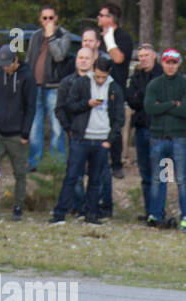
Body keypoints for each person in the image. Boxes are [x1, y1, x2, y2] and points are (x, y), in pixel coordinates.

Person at [49, 54, 121, 225]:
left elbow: (119, 117)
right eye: (97, 76)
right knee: (72, 176)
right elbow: (70, 106)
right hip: (81, 138)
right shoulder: (81, 83)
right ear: (94, 70)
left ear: (108, 73)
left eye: (103, 77)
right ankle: (60, 213)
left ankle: (91, 214)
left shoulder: (114, 88)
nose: (100, 80)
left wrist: (109, 140)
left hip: (101, 139)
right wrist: (87, 104)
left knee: (95, 180)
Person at [0, 45, 35, 222]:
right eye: (3, 64)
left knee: (19, 172)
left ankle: (18, 206)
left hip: (17, 133)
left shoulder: (27, 78)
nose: (5, 67)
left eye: (8, 64)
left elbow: (30, 107)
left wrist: (25, 132)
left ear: (16, 60)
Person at [144, 48, 186, 230]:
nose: (171, 66)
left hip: (178, 139)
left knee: (181, 179)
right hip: (159, 138)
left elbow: (184, 110)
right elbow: (149, 108)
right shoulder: (154, 84)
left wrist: (162, 106)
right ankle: (156, 214)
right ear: (162, 63)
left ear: (178, 64)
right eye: (167, 62)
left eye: (174, 63)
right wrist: (173, 103)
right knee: (159, 178)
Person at [27, 4, 73, 172]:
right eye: (44, 18)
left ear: (56, 18)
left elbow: (59, 56)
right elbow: (29, 59)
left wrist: (51, 36)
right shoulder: (35, 36)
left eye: (51, 18)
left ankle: (57, 163)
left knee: (57, 127)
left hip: (54, 87)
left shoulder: (63, 35)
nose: (47, 21)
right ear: (40, 19)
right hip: (35, 86)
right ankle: (34, 162)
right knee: (35, 127)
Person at [96, 3, 133, 179]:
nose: (98, 18)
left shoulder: (122, 36)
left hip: (115, 87)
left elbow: (118, 58)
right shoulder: (98, 36)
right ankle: (96, 163)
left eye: (102, 15)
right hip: (96, 86)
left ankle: (116, 164)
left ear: (111, 18)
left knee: (115, 127)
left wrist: (109, 39)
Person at [126, 44, 161, 221]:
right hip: (141, 128)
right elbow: (131, 99)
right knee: (145, 173)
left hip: (161, 132)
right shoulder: (137, 76)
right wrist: (145, 96)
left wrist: (141, 96)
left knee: (162, 173)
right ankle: (150, 212)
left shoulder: (163, 75)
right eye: (140, 56)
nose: (143, 58)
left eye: (147, 55)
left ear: (154, 55)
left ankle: (160, 211)